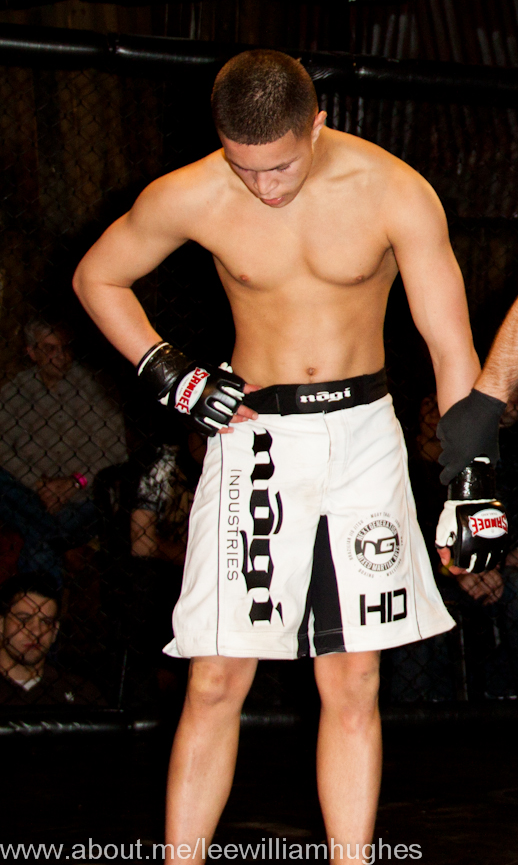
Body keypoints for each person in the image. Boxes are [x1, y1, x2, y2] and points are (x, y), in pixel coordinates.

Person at [73, 49, 480, 858]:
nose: (262, 187)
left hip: (363, 435)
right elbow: (97, 278)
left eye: (280, 166)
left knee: (351, 677)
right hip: (254, 436)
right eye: (244, 167)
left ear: (316, 125)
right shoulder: (193, 192)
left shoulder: (392, 190)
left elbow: (449, 344)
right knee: (215, 677)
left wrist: (469, 476)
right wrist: (169, 371)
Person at [0, 318, 128, 584]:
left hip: (83, 496)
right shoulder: (16, 390)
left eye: (65, 348)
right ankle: (57, 545)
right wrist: (39, 484)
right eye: (50, 349)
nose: (61, 356)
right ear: (31, 352)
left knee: (40, 539)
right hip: (31, 493)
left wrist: (74, 483)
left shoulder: (96, 387)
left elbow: (116, 452)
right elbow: (3, 448)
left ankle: (36, 593)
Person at [0, 573, 105, 705]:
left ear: (55, 630)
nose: (36, 632)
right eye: (24, 620)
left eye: (46, 622)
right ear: (1, 624)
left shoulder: (81, 693)